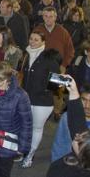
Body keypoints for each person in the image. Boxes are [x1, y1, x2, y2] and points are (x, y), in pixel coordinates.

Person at [46, 75, 90, 177]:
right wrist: (74, 92)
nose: (78, 136)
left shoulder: (69, 172)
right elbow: (78, 123)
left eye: (80, 141)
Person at [19, 31, 61, 168]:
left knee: (37, 128)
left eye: (36, 40)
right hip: (26, 98)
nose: (32, 42)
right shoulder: (26, 55)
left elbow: (58, 83)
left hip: (42, 102)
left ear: (43, 42)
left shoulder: (49, 58)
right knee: (25, 126)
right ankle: (24, 151)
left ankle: (30, 155)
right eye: (31, 39)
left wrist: (46, 91)